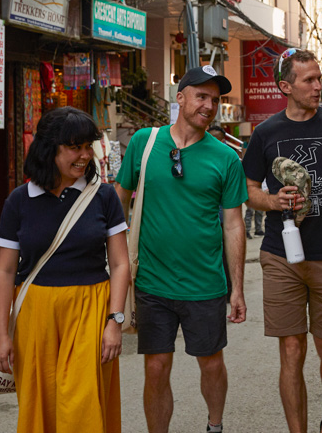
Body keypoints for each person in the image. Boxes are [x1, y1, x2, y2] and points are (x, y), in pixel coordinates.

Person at [115, 67, 248, 433]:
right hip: (152, 282)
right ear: (181, 97)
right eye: (201, 96)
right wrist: (116, 266)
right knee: (156, 366)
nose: (209, 106)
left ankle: (215, 425)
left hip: (205, 282)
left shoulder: (225, 158)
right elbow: (118, 201)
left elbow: (233, 224)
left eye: (215, 100)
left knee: (211, 363)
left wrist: (236, 287)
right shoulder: (144, 142)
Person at [242, 49, 322, 433]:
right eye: (308, 80)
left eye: (318, 78)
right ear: (285, 86)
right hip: (281, 253)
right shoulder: (266, 133)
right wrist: (273, 201)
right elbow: (249, 189)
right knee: (291, 349)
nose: (317, 85)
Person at [0, 106, 129, 432]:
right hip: (35, 315)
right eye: (74, 147)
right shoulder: (19, 201)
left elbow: (121, 263)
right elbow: (5, 271)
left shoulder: (104, 197)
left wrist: (115, 321)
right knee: (40, 404)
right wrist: (1, 336)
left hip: (90, 311)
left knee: (83, 407)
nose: (84, 156)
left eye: (87, 147)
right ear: (49, 148)